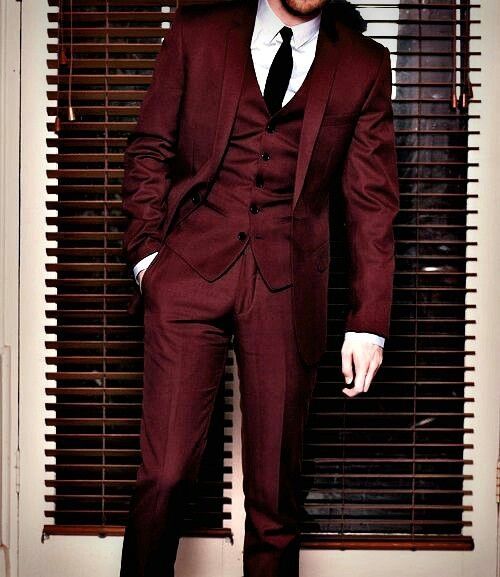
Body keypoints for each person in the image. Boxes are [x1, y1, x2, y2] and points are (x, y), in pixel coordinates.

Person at [119, 0, 400, 575]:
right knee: (165, 477)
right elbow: (149, 148)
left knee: (275, 500)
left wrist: (368, 321)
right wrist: (147, 257)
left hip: (287, 286)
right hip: (188, 271)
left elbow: (371, 201)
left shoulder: (364, 63)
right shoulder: (198, 31)